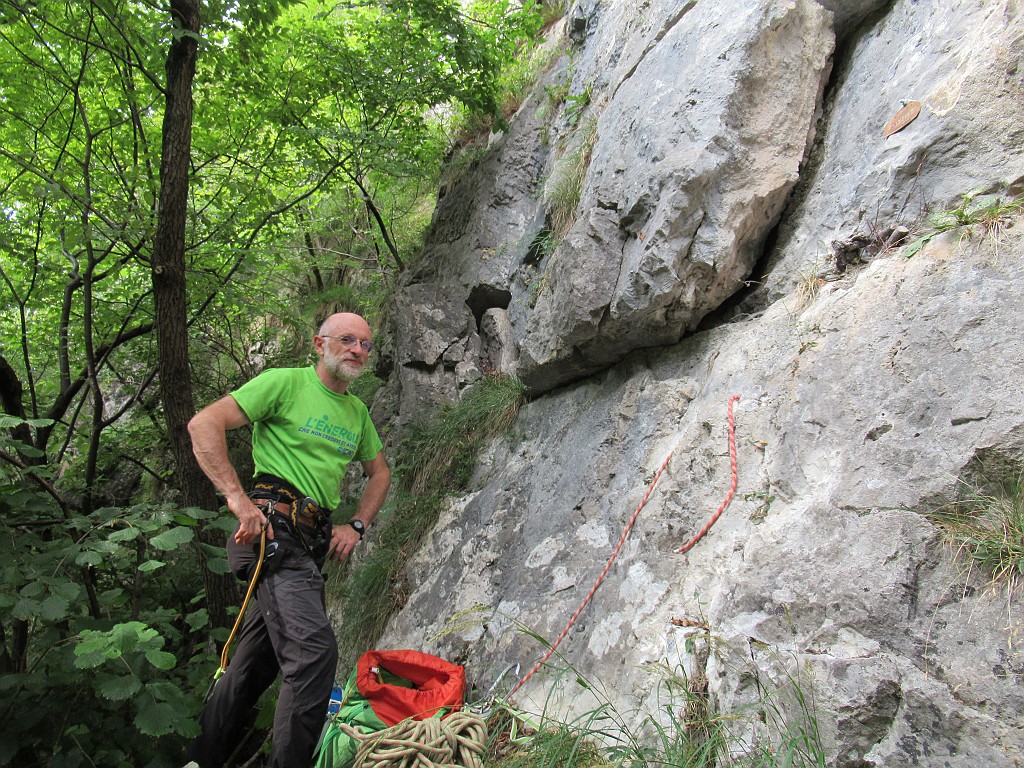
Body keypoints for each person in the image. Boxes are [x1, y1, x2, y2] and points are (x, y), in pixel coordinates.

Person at [184, 312, 391, 768]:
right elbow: (204, 424)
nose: (357, 349)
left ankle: (201, 758)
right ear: (319, 344)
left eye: (365, 344)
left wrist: (356, 525)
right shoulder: (285, 383)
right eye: (347, 340)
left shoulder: (356, 413)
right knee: (314, 654)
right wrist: (238, 500)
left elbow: (380, 473)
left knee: (252, 667)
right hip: (272, 536)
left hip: (309, 545)